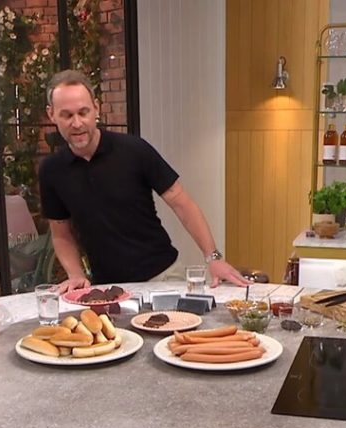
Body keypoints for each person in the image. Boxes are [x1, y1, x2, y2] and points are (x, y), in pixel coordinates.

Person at [39, 70, 248, 291]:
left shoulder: (134, 150)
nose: (77, 123)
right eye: (67, 115)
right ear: (51, 114)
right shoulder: (52, 171)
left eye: (83, 112)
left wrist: (213, 257)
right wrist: (75, 275)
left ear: (96, 108)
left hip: (162, 277)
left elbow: (182, 204)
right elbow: (61, 235)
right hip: (106, 287)